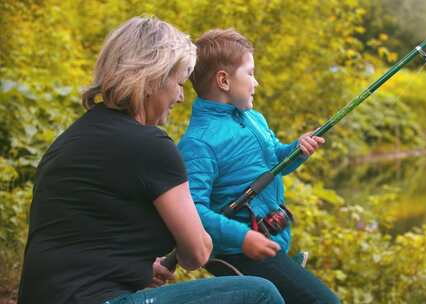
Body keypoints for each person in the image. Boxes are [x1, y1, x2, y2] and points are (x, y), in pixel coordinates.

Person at [17, 17, 284, 304]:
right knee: (260, 294)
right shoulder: (151, 146)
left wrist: (136, 270)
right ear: (153, 78)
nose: (180, 96)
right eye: (178, 83)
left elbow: (83, 238)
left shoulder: (69, 141)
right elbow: (197, 253)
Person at [178, 28, 340, 303]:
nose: (256, 83)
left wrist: (296, 150)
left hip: (270, 243)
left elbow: (274, 162)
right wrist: (243, 237)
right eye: (250, 73)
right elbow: (192, 213)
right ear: (223, 80)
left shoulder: (254, 118)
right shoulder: (199, 143)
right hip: (239, 254)